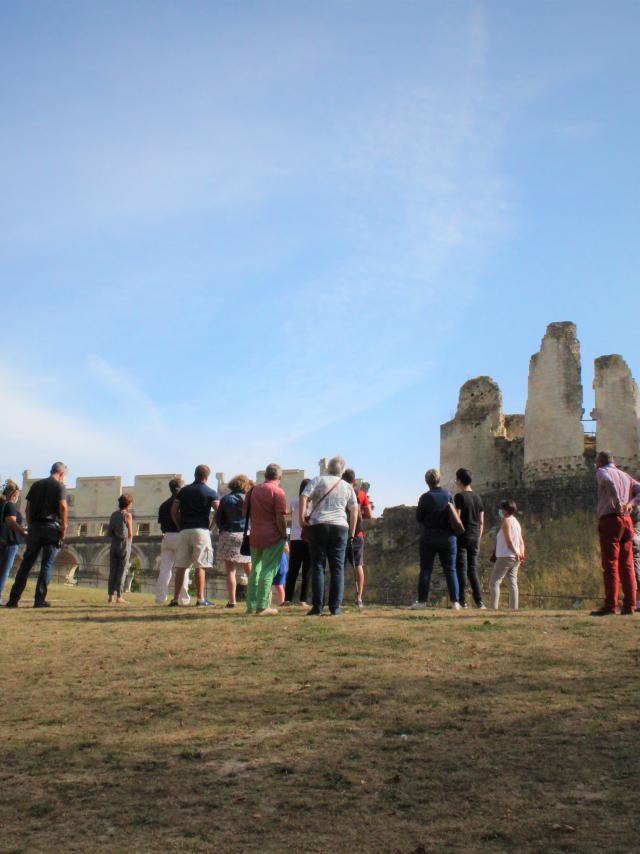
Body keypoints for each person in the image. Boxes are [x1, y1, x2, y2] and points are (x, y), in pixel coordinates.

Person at [299, 455, 358, 617]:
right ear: (342, 470)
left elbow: (304, 496)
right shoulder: (347, 486)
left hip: (318, 524)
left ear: (328, 468)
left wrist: (301, 517)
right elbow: (354, 510)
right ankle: (335, 607)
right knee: (337, 568)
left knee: (318, 565)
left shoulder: (318, 480)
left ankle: (317, 606)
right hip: (340, 526)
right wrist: (351, 533)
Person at [6, 462, 68, 608]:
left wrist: (31, 525)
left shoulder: (36, 485)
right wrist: (64, 528)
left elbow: (28, 509)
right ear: (62, 474)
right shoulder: (60, 486)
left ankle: (13, 599)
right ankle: (39, 600)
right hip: (52, 527)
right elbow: (63, 506)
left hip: (35, 527)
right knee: (47, 565)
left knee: (26, 564)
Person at [591, 451, 640, 616]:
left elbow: (607, 482)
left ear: (600, 462)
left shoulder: (602, 472)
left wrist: (618, 501)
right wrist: (631, 503)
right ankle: (630, 605)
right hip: (627, 521)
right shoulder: (625, 475)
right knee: (627, 564)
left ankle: (611, 605)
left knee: (610, 562)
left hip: (611, 519)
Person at [169, 465, 219, 607]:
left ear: (195, 474)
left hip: (184, 530)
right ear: (207, 477)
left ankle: (175, 599)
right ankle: (200, 598)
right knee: (200, 565)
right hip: (201, 530)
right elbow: (218, 511)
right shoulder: (210, 492)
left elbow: (173, 511)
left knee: (181, 566)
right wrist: (211, 528)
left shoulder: (183, 491)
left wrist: (179, 526)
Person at [411, 468, 461, 610]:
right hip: (448, 537)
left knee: (426, 569)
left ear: (427, 482)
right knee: (450, 570)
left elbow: (419, 518)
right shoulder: (448, 495)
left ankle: (422, 602)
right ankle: (455, 602)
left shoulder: (425, 497)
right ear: (440, 479)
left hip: (429, 537)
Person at [242, 463, 287, 616]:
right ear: (279, 477)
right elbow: (280, 517)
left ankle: (251, 606)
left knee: (255, 569)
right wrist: (283, 534)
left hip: (255, 535)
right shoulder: (278, 491)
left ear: (265, 475)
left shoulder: (252, 490)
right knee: (269, 569)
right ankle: (262, 606)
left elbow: (244, 513)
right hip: (273, 536)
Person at [215, 474, 252, 608]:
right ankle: (254, 599)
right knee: (249, 569)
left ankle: (232, 601)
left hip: (229, 534)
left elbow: (218, 518)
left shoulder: (226, 499)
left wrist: (223, 529)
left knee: (230, 570)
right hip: (245, 534)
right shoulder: (248, 499)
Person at [155, 478, 191, 605]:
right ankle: (183, 598)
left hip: (167, 536)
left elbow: (161, 524)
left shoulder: (164, 504)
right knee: (184, 568)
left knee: (165, 568)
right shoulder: (184, 503)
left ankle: (160, 597)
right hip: (180, 535)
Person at [454, 468, 486, 609]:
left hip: (462, 535)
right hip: (475, 535)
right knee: (472, 569)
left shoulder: (459, 497)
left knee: (461, 569)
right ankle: (479, 602)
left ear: (459, 481)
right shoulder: (478, 498)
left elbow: (457, 518)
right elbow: (481, 521)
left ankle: (463, 601)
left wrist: (456, 532)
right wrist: (478, 536)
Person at [342, 469, 372, 609]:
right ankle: (359, 597)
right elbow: (369, 515)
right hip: (358, 535)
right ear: (354, 481)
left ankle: (338, 597)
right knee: (358, 566)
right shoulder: (361, 494)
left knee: (339, 567)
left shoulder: (341, 492)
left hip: (342, 533)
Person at [488, 500, 524, 610]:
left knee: (494, 581)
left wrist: (514, 551)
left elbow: (509, 541)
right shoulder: (516, 522)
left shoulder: (506, 522)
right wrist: (521, 554)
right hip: (516, 557)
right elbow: (521, 541)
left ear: (505, 511)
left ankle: (494, 608)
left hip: (506, 556)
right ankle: (514, 608)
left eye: (502, 509)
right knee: (512, 582)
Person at [283, 478, 312, 606]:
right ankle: (303, 600)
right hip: (309, 538)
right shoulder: (313, 503)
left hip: (295, 537)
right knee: (307, 570)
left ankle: (287, 598)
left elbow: (287, 514)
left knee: (293, 570)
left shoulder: (294, 501)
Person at [0, 480, 27, 604]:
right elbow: (11, 522)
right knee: (4, 570)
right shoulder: (10, 505)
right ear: (13, 495)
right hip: (9, 541)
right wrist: (24, 534)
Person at [107, 494, 133, 604]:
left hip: (114, 543)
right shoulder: (127, 515)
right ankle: (119, 596)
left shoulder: (113, 515)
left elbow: (109, 532)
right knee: (122, 571)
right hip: (124, 544)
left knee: (112, 570)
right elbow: (130, 533)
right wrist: (129, 545)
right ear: (128, 504)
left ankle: (110, 596)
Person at [272, 542, 289, 606]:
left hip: (280, 564)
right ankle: (267, 604)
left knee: (279, 585)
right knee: (277, 585)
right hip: (275, 563)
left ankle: (282, 603)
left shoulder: (281, 539)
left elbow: (287, 549)